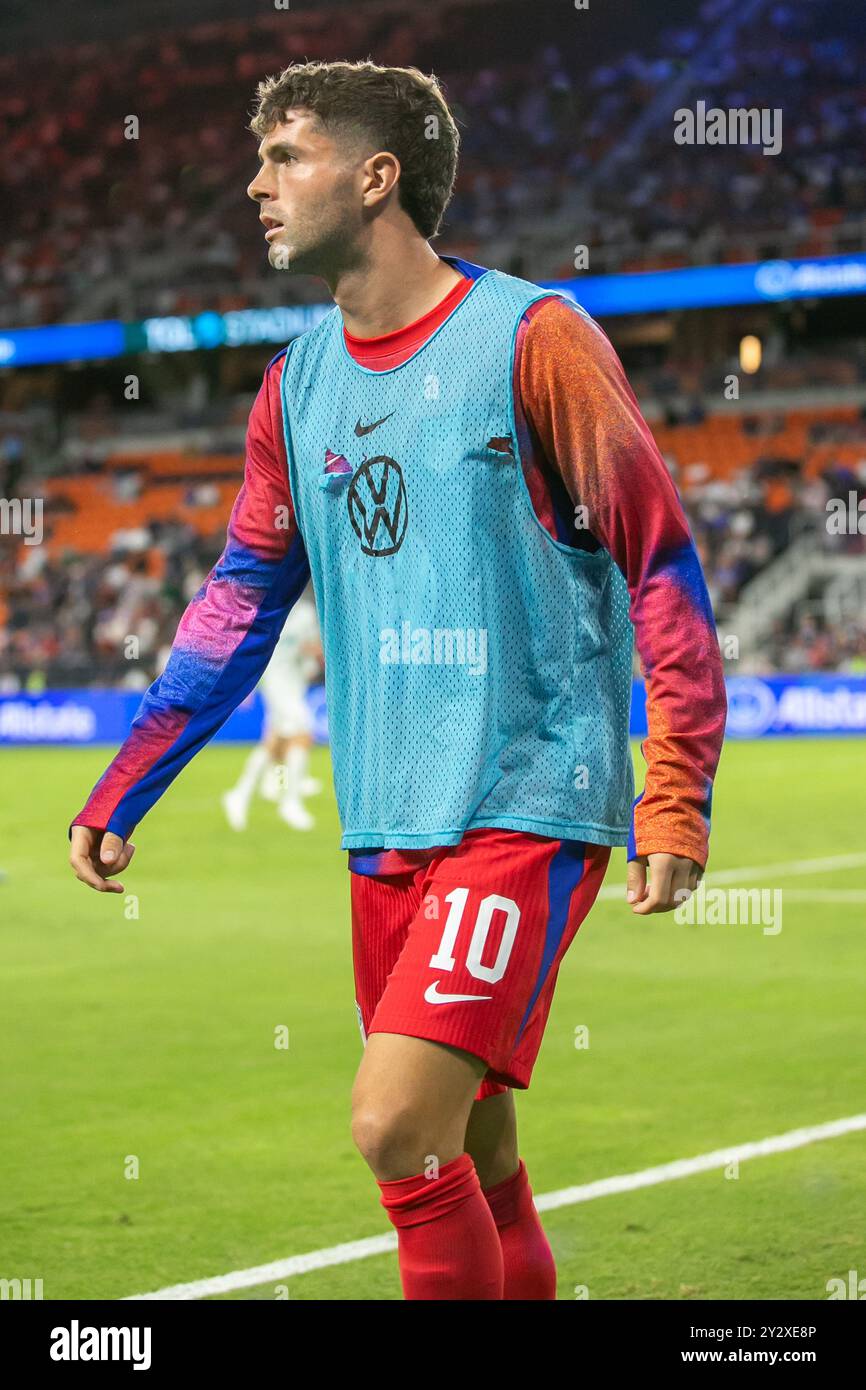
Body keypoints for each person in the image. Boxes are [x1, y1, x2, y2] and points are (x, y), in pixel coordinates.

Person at [69, 60, 726, 1301]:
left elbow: (662, 567)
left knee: (391, 1127)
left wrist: (674, 787)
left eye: (288, 156)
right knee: (476, 1153)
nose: (255, 184)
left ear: (376, 178)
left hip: (523, 801)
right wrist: (127, 783)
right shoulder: (295, 383)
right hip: (385, 820)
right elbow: (238, 603)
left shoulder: (534, 340)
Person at [222, 585, 322, 832]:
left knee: (275, 742)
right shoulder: (269, 607)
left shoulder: (306, 613)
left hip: (294, 682)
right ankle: (290, 801)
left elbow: (310, 650)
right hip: (276, 682)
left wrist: (313, 659)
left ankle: (240, 794)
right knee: (303, 733)